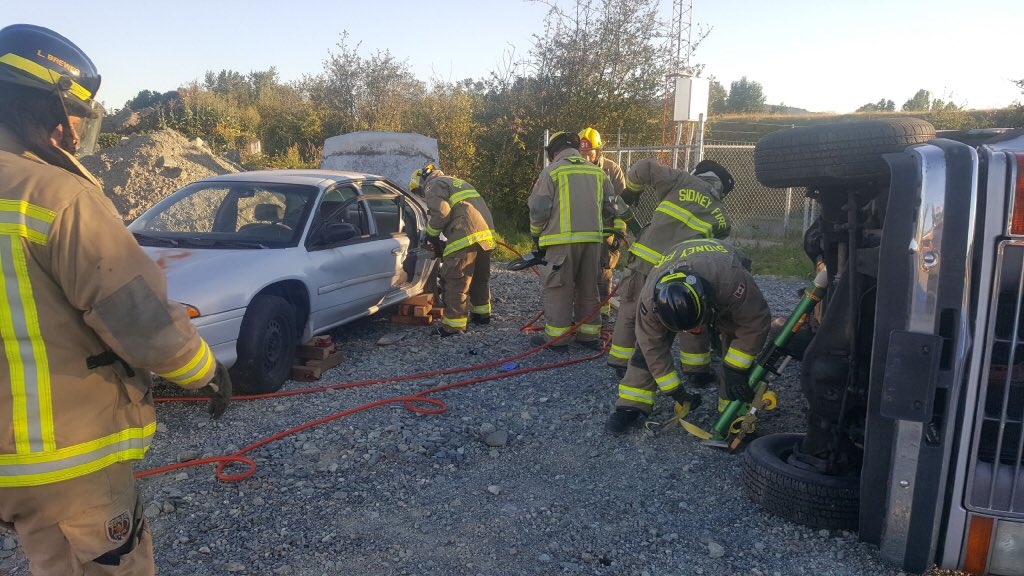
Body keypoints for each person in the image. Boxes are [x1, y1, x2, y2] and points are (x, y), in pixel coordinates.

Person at [0, 24, 231, 575]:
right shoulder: (55, 196)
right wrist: (204, 371)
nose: (78, 129)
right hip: (59, 462)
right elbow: (142, 320)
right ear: (47, 109)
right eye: (76, 113)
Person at [605, 238, 771, 434]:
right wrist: (676, 391)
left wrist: (736, 370)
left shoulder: (731, 281)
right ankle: (630, 405)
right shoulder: (650, 299)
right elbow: (651, 346)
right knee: (644, 351)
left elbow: (754, 322)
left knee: (734, 334)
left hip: (720, 262)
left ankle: (733, 412)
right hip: (677, 258)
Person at [606, 159, 735, 387]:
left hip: (644, 260)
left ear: (698, 173)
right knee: (690, 315)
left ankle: (621, 362)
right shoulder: (724, 218)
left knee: (630, 310)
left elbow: (643, 168)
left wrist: (632, 192)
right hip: (678, 269)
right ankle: (696, 370)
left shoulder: (681, 180)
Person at [528, 131, 615, 350]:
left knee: (559, 289)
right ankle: (589, 336)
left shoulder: (552, 172)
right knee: (588, 288)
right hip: (593, 243)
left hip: (560, 243)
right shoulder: (598, 173)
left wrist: (536, 235)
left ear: (555, 151)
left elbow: (539, 209)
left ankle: (558, 340)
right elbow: (611, 207)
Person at [410, 163, 496, 336]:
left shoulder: (433, 184)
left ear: (421, 183)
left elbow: (441, 212)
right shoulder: (456, 182)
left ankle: (453, 326)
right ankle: (482, 315)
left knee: (456, 280)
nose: (422, 196)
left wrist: (432, 235)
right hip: (485, 235)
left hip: (464, 235)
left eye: (419, 192)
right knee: (479, 277)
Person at [578, 127, 627, 323]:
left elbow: (622, 205)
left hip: (605, 231)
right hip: (581, 230)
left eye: (589, 153)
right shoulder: (575, 169)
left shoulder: (611, 170)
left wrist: (619, 233)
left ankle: (603, 312)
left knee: (604, 272)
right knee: (579, 272)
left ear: (598, 151)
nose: (586, 158)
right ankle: (581, 313)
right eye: (582, 153)